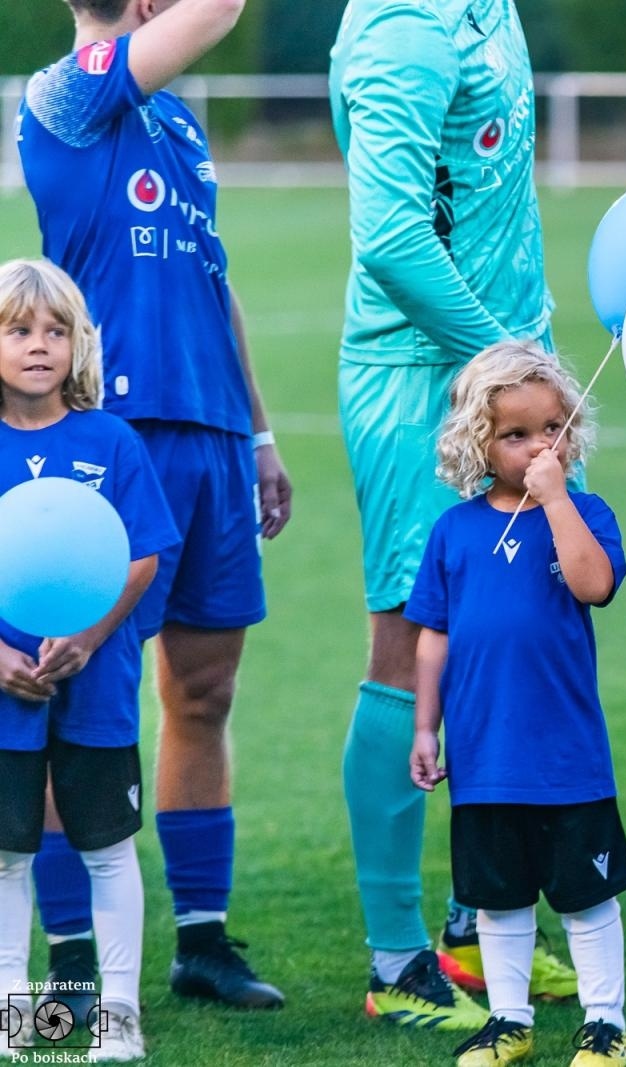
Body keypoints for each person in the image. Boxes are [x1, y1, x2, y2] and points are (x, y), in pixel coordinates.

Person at [16, 0, 292, 1010]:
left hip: (212, 432)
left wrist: (257, 432)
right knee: (76, 696)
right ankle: (74, 953)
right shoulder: (69, 90)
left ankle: (203, 940)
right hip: (113, 438)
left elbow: (214, 279)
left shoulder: (178, 122)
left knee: (203, 693)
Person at [329, 0, 579, 1022]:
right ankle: (397, 962)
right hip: (420, 382)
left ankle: (482, 924)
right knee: (411, 643)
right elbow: (391, 233)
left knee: (503, 640)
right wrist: (505, 368)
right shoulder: (401, 27)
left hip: (498, 375)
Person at [407, 341, 626, 1067]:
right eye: (515, 434)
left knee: (584, 893)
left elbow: (593, 583)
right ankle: (509, 1018)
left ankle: (605, 1020)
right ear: (480, 443)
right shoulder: (454, 531)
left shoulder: (585, 513)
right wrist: (424, 725)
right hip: (483, 755)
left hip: (567, 756)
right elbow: (433, 638)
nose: (538, 445)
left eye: (551, 429)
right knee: (497, 897)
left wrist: (559, 498)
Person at [0, 259, 180, 1061]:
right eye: (17, 330)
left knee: (106, 845)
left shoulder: (111, 440)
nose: (39, 346)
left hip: (96, 678)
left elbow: (143, 552)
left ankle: (116, 1015)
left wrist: (90, 636)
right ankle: (13, 1012)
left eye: (55, 330)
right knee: (6, 853)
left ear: (79, 344)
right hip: (5, 684)